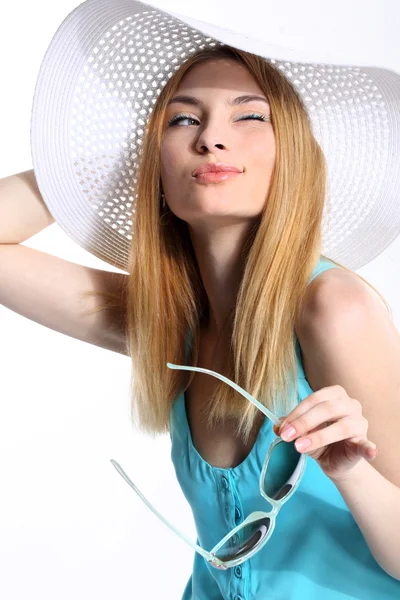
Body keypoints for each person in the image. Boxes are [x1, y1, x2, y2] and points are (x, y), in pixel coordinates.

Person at [2, 1, 400, 598]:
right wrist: (118, 159)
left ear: (290, 153)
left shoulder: (333, 308)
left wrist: (350, 472)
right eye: (184, 121)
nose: (213, 139)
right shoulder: (168, 322)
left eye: (250, 117)